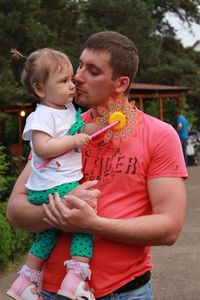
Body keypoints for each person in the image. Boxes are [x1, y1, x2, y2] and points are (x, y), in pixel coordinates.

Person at [7, 31, 188, 300]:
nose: (78, 76)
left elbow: (169, 227)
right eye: (80, 65)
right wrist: (62, 211)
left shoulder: (159, 135)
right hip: (52, 291)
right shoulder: (60, 128)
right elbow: (15, 210)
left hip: (125, 291)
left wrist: (94, 224)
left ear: (121, 82)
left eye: (92, 71)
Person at [7, 48, 97, 300]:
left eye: (71, 79)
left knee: (50, 232)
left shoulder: (66, 109)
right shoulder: (42, 116)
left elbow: (79, 129)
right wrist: (74, 141)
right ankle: (76, 280)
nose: (73, 85)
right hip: (51, 185)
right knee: (84, 218)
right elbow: (42, 148)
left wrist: (98, 125)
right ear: (39, 89)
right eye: (64, 81)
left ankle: (26, 281)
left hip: (58, 183)